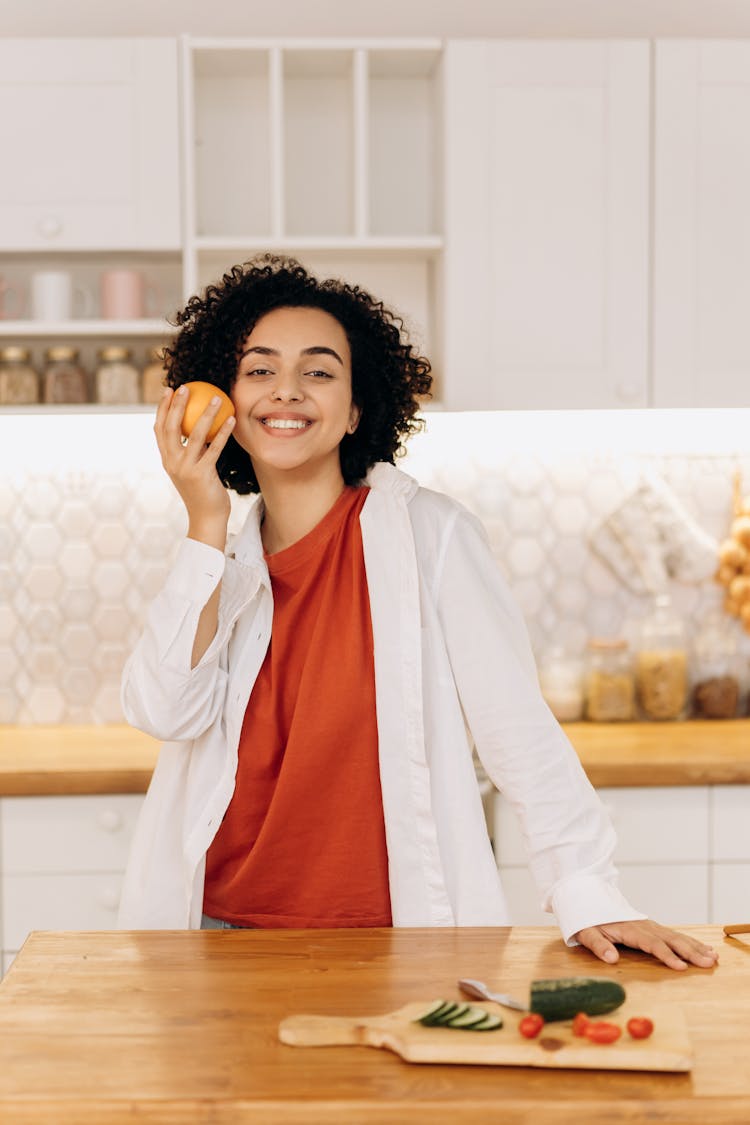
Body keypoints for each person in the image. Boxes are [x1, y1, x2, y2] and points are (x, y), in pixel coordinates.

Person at [119, 254, 717, 972]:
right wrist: (205, 519)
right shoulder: (219, 556)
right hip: (218, 933)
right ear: (227, 401)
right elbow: (164, 710)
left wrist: (591, 890)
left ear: (356, 408)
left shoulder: (432, 537)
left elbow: (517, 729)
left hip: (393, 936)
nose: (288, 390)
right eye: (259, 369)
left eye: (318, 371)